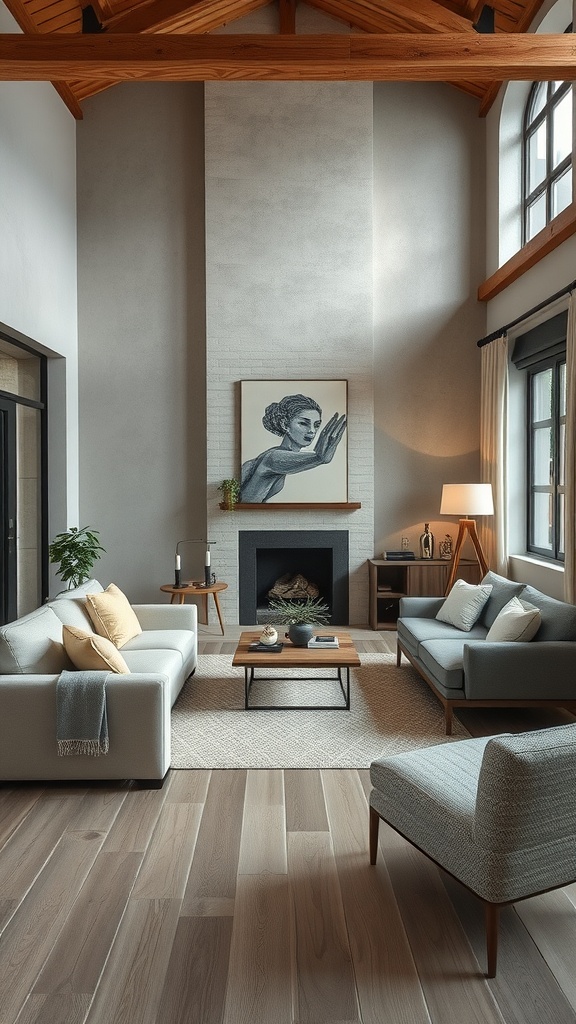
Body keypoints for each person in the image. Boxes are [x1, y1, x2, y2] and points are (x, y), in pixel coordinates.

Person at [240, 393, 347, 503]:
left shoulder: (276, 453)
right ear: (285, 424)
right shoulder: (273, 457)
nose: (312, 430)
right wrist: (320, 457)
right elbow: (319, 458)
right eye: (303, 423)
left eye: (316, 425)